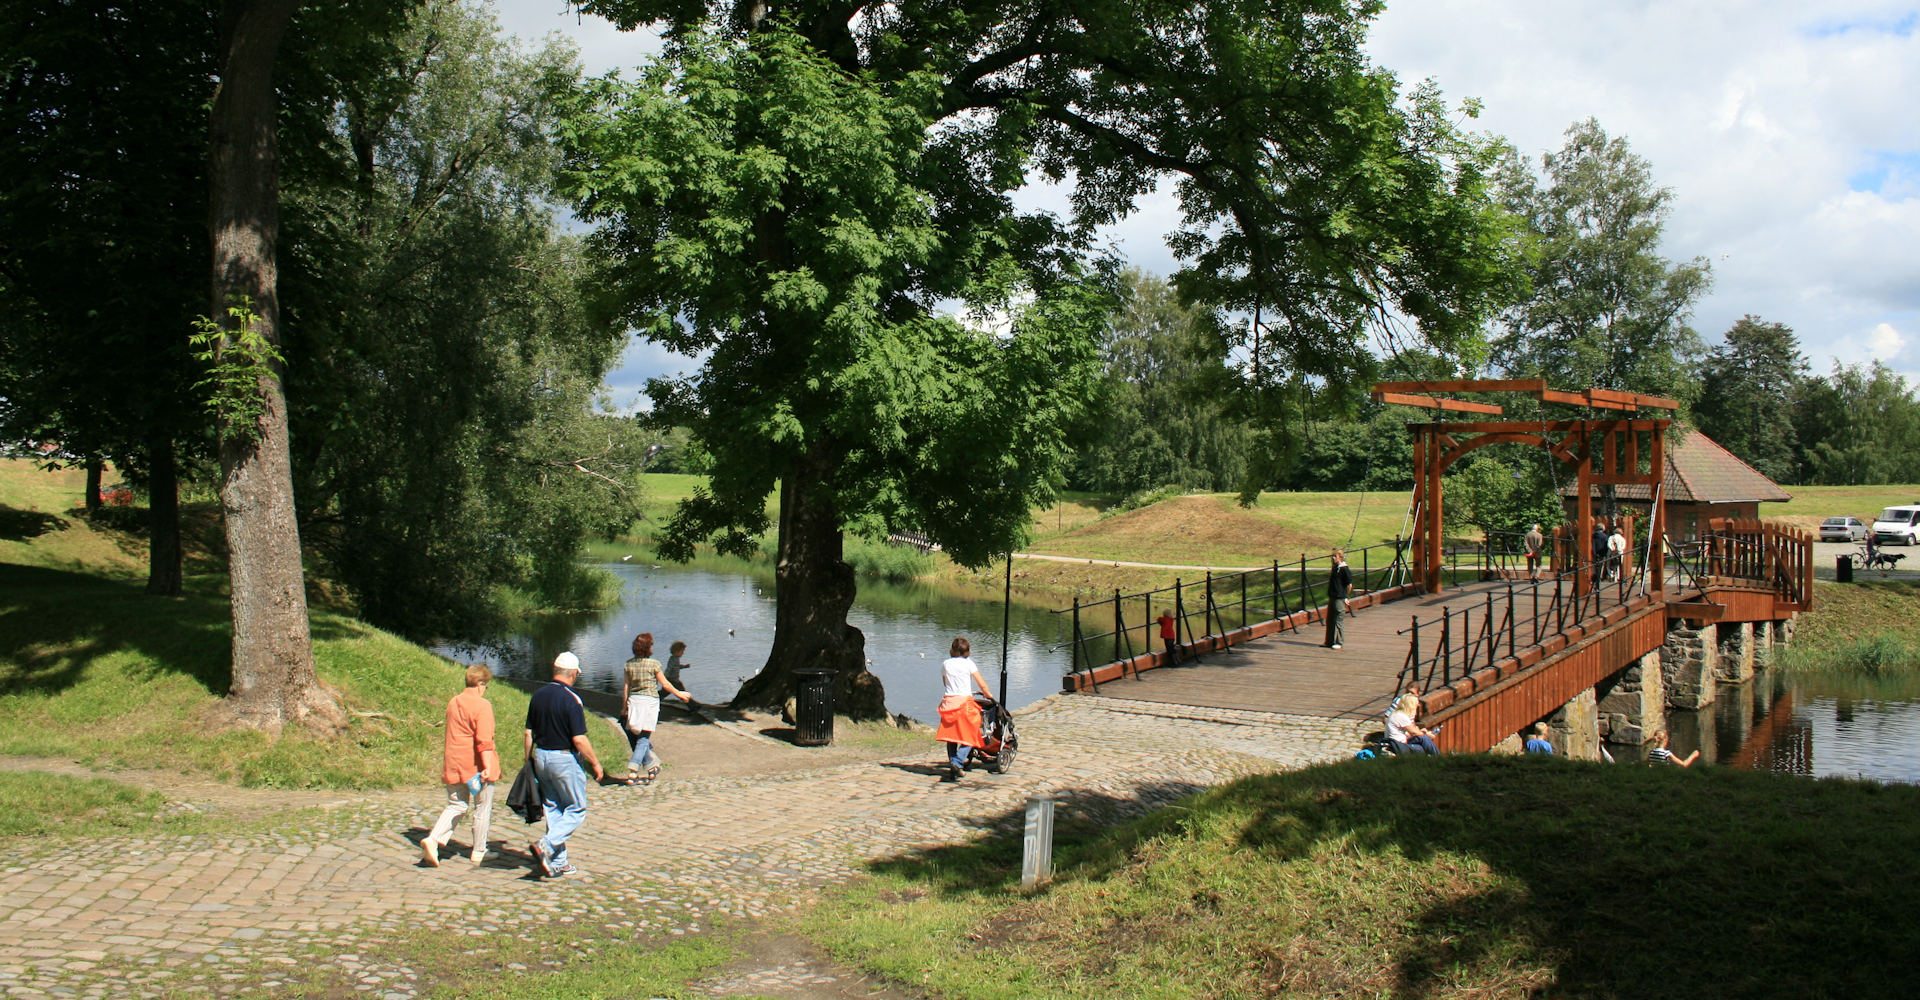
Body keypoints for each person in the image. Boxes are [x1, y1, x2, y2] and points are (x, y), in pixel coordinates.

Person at [525, 651, 604, 878]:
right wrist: (595, 763)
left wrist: (527, 759)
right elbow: (579, 739)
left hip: (541, 755)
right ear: (573, 674)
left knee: (553, 807)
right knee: (576, 808)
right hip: (563, 758)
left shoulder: (538, 695)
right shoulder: (572, 699)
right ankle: (546, 846)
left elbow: (528, 732)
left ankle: (559, 862)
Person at [419, 664, 502, 867]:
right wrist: (488, 766)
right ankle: (479, 850)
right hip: (475, 766)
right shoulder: (482, 706)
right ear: (481, 684)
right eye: (486, 685)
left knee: (457, 805)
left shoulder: (453, 702)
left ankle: (433, 839)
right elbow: (484, 741)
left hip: (453, 762)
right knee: (482, 806)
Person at [622, 633, 695, 785]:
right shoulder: (654, 664)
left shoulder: (629, 664)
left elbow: (626, 687)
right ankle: (633, 771)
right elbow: (666, 684)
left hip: (634, 702)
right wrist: (680, 694)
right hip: (649, 702)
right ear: (648, 648)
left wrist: (624, 707)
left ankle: (652, 767)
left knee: (638, 735)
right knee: (643, 738)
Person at [934, 636, 993, 782]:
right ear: (967, 652)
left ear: (952, 650)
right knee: (972, 733)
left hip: (948, 703)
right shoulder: (969, 664)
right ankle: (958, 761)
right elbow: (981, 684)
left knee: (951, 737)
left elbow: (945, 682)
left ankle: (954, 766)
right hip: (964, 704)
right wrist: (989, 695)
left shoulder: (945, 664)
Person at [1323, 548, 1353, 649]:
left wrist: (1345, 596)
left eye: (1335, 556)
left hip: (1339, 598)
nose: (1332, 558)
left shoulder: (1344, 569)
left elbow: (1349, 585)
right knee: (1330, 619)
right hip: (1332, 596)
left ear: (1340, 557)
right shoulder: (1335, 567)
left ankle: (1339, 642)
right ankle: (1329, 641)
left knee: (1339, 620)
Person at [1590, 521, 1609, 586]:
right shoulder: (1604, 536)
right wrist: (1605, 553)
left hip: (1594, 553)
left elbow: (1592, 544)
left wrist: (1593, 552)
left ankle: (1594, 578)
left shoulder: (1593, 535)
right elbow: (1606, 546)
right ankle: (1598, 579)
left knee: (1594, 566)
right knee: (1600, 567)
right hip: (1602, 553)